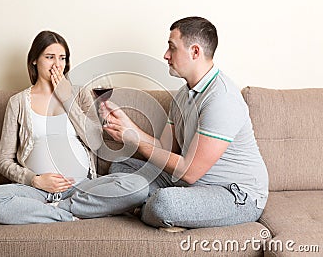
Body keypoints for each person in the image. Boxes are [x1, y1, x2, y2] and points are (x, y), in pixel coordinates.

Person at [101, 16, 269, 229]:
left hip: (234, 194)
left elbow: (189, 172)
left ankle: (149, 206)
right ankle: (152, 205)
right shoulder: (184, 94)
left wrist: (135, 140)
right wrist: (128, 127)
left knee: (164, 204)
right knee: (121, 165)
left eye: (172, 48)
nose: (166, 55)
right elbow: (164, 148)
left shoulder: (222, 99)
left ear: (195, 51)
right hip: (191, 184)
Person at [0, 30, 148, 224]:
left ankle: (57, 209)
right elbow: (4, 161)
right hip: (35, 191)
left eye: (62, 58)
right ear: (34, 60)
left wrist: (67, 98)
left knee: (139, 186)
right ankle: (73, 213)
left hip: (81, 187)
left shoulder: (79, 94)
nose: (57, 64)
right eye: (49, 57)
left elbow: (95, 142)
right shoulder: (17, 103)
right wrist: (34, 180)